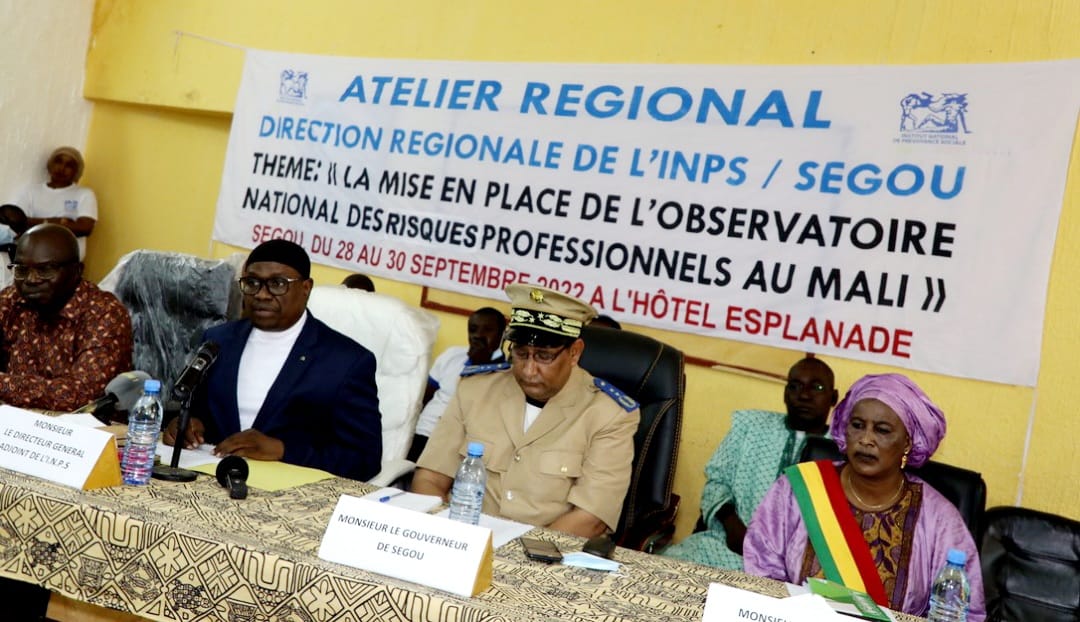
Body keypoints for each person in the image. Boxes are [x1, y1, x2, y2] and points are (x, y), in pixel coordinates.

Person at [744, 373, 986, 621]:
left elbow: (967, 613)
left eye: (882, 430)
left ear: (907, 443)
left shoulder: (939, 518)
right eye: (857, 425)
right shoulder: (794, 490)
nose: (866, 439)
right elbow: (760, 574)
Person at [412, 283, 639, 538]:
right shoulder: (475, 390)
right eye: (521, 354)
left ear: (574, 353)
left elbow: (590, 519)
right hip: (462, 541)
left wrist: (510, 555)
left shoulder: (609, 414)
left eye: (544, 356)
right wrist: (438, 536)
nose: (529, 370)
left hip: (547, 556)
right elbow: (430, 478)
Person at [162, 239, 382, 481]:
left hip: (290, 497)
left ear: (306, 288)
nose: (262, 295)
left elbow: (365, 459)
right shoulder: (218, 340)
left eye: (278, 284)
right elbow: (197, 411)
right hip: (210, 480)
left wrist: (283, 450)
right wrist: (185, 427)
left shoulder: (346, 361)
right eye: (252, 283)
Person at [664, 357, 838, 570]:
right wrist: (733, 526)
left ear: (833, 397)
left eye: (817, 387)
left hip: (798, 566)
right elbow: (717, 482)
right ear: (785, 394)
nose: (804, 395)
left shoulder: (842, 450)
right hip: (729, 548)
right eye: (795, 386)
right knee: (671, 569)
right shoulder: (750, 426)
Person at [0, 224, 132, 411]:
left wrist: (3, 385)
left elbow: (79, 395)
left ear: (77, 271)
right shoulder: (12, 300)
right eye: (21, 270)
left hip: (82, 429)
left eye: (45, 270)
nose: (30, 279)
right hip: (17, 422)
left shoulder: (104, 313)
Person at [407, 306, 507, 461]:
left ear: (501, 334)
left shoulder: (505, 374)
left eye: (487, 330)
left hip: (457, 445)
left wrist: (480, 363)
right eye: (473, 329)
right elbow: (424, 397)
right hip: (423, 433)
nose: (478, 335)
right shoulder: (452, 355)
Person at [12, 146, 97, 259]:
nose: (61, 168)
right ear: (50, 165)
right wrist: (59, 222)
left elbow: (84, 228)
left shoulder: (84, 194)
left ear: (77, 171)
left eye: (69, 165)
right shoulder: (31, 191)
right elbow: (16, 222)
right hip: (31, 259)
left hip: (67, 264)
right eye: (58, 161)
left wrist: (33, 222)